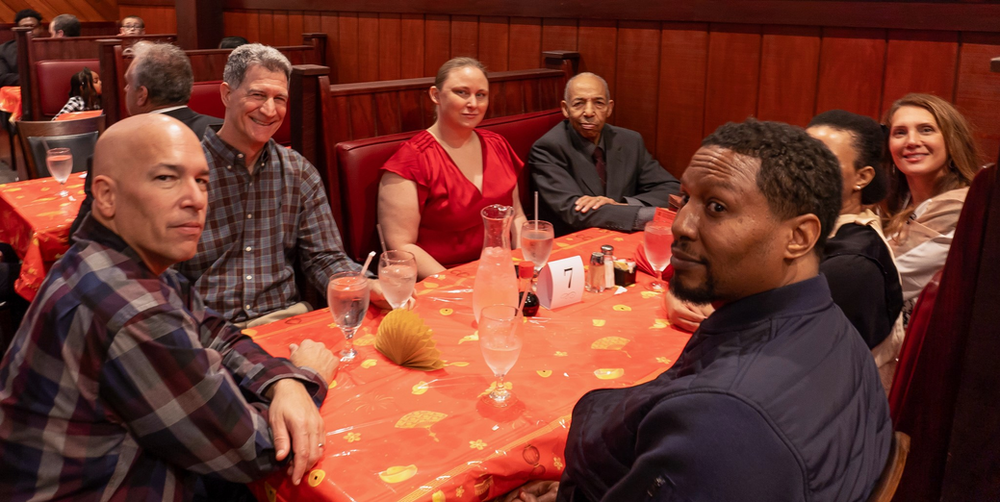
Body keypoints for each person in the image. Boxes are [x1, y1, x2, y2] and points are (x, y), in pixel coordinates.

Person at [513, 119, 892, 502]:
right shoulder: (833, 326)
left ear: (799, 237)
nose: (681, 225)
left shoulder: (723, 420)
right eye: (684, 199)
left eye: (716, 207)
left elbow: (714, 450)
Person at [0, 114, 337, 500]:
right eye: (166, 178)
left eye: (202, 181)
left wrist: (285, 382)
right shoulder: (131, 309)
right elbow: (253, 450)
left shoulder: (112, 260)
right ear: (107, 196)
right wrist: (310, 374)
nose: (195, 199)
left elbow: (214, 330)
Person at [177, 44, 381, 327]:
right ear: (226, 94)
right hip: (207, 329)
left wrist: (367, 284)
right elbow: (159, 273)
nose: (269, 110)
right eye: (258, 95)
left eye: (280, 98)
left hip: (286, 320)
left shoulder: (297, 171)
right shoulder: (184, 171)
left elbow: (324, 258)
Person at [378, 57, 527, 279]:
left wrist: (525, 265)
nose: (473, 104)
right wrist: (460, 284)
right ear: (435, 95)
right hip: (443, 280)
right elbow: (401, 246)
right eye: (462, 92)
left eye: (481, 95)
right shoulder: (411, 160)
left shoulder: (498, 145)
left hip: (499, 270)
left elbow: (516, 217)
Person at [68, 42, 224, 239]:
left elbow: (82, 235)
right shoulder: (224, 133)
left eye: (128, 83)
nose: (125, 89)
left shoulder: (115, 147)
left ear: (142, 95)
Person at [529, 72, 680, 236]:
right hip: (576, 242)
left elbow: (671, 189)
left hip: (623, 236)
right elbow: (574, 211)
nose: (588, 112)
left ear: (609, 108)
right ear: (565, 109)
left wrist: (624, 204)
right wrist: (648, 215)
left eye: (598, 103)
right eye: (579, 103)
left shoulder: (630, 140)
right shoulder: (548, 147)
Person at [882, 93, 980, 324]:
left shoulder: (965, 207)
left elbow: (883, 277)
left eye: (926, 130)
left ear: (952, 140)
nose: (912, 141)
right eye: (900, 132)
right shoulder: (892, 205)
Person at [0, 9, 46, 86]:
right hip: (16, 90)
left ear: (41, 28)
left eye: (32, 27)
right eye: (24, 27)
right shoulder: (3, 50)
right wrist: (32, 80)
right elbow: (2, 77)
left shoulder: (50, 47)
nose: (29, 31)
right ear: (16, 30)